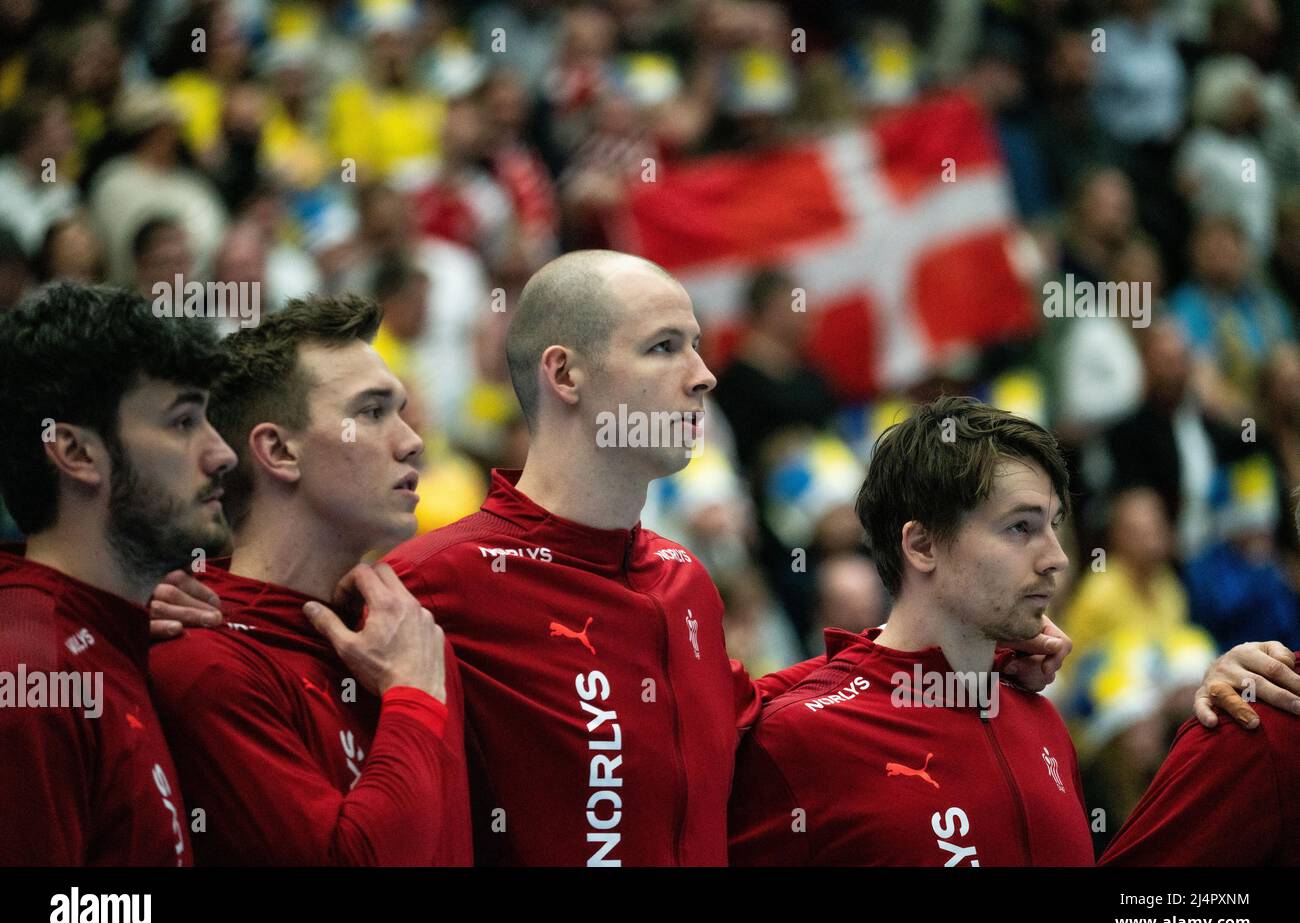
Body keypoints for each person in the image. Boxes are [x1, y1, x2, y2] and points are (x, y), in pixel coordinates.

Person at [383, 251, 1074, 866]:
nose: (705, 376)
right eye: (664, 347)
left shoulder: (682, 580)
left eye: (698, 347)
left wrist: (973, 652)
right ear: (565, 373)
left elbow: (771, 710)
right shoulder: (438, 582)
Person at [146, 296, 472, 865]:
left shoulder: (409, 633)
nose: (411, 440)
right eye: (371, 412)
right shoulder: (204, 663)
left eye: (400, 409)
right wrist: (414, 697)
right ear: (277, 450)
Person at [728, 396, 1095, 865]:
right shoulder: (801, 738)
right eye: (1020, 528)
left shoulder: (1040, 717)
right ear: (922, 545)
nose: (1056, 558)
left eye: (1054, 526)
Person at [0, 282, 235, 865]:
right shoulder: (29, 677)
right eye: (183, 422)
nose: (222, 453)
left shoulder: (109, 639)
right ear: (76, 453)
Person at [1098, 493, 1300, 865]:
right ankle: (1125, 814)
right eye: (1140, 530)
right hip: (1107, 698)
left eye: (1156, 526)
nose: (1155, 537)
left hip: (1162, 692)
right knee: (1142, 728)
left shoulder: (1167, 585)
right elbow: (1090, 668)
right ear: (1118, 537)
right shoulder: (1103, 591)